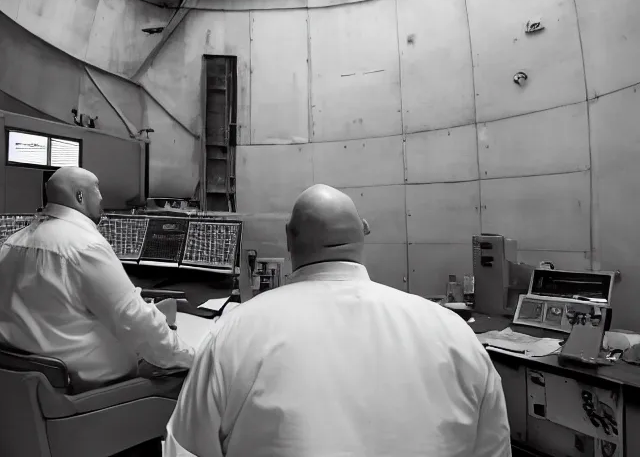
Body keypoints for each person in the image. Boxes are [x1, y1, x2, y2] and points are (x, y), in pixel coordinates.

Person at [165, 184, 511, 457]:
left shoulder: (231, 335)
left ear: (288, 238)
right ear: (363, 231)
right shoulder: (455, 334)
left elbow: (185, 447)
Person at [0, 167, 194, 390]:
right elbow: (133, 318)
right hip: (82, 387)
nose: (102, 197)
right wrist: (191, 358)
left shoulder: (12, 241)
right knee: (180, 376)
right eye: (96, 189)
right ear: (80, 196)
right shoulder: (85, 244)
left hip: (17, 380)